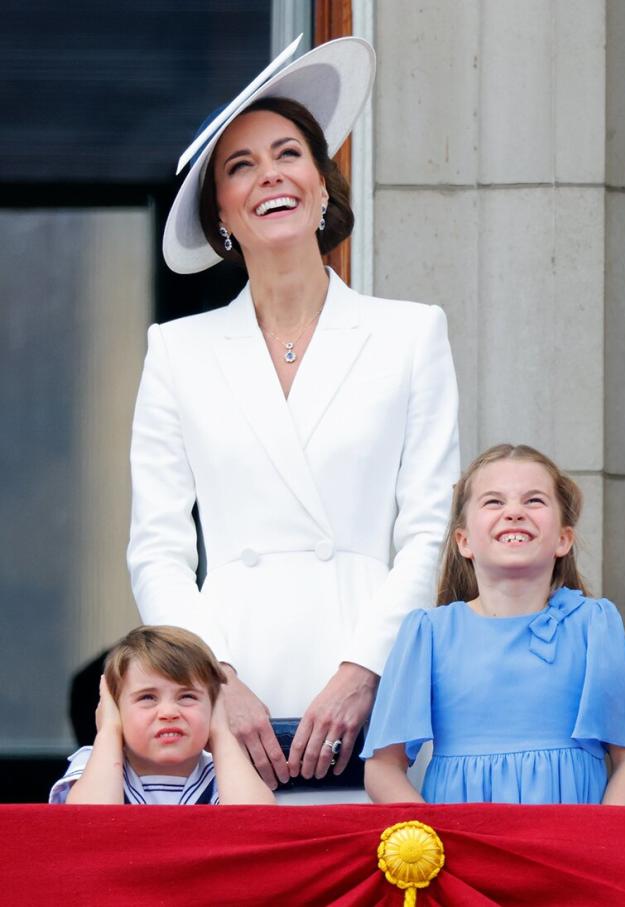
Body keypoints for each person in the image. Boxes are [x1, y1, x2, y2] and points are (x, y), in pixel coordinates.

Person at [128, 36, 460, 800]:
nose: (269, 174)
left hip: (376, 683)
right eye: (240, 166)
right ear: (221, 214)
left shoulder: (410, 332)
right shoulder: (177, 350)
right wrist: (209, 681)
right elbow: (157, 546)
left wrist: (364, 669)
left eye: (288, 154)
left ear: (320, 186)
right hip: (229, 681)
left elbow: (429, 526)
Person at [362, 444, 625, 805]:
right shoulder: (429, 633)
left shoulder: (594, 624)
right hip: (462, 844)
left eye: (534, 501)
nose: (514, 512)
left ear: (563, 539)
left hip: (569, 843)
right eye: (494, 502)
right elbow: (383, 767)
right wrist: (433, 840)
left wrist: (599, 843)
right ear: (464, 541)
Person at [50, 626, 274, 805]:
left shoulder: (224, 769)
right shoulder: (97, 762)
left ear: (214, 706)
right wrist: (109, 730)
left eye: (187, 697)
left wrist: (221, 732)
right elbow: (88, 823)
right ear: (116, 710)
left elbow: (256, 821)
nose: (168, 713)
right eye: (147, 698)